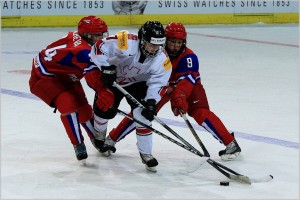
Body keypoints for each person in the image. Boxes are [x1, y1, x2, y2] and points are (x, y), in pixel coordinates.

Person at [102, 22, 242, 161]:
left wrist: (180, 97)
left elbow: (187, 81)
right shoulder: (156, 52)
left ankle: (230, 143)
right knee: (143, 110)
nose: (176, 45)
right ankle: (112, 139)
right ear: (165, 41)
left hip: (190, 87)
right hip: (164, 86)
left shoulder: (189, 57)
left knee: (200, 112)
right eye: (172, 41)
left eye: (179, 42)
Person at [89, 21, 172, 172]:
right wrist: (105, 67)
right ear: (142, 39)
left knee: (143, 116)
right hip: (113, 79)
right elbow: (99, 47)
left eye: (158, 46)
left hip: (137, 83)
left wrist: (152, 102)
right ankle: (99, 135)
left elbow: (158, 82)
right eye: (151, 44)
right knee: (104, 108)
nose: (154, 49)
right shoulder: (125, 40)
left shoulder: (163, 59)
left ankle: (146, 153)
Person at [28, 16, 110, 161]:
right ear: (87, 35)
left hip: (65, 74)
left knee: (84, 108)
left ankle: (96, 140)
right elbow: (93, 80)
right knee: (68, 105)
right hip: (44, 77)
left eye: (103, 34)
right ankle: (78, 144)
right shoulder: (83, 52)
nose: (102, 38)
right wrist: (103, 90)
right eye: (98, 35)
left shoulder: (81, 40)